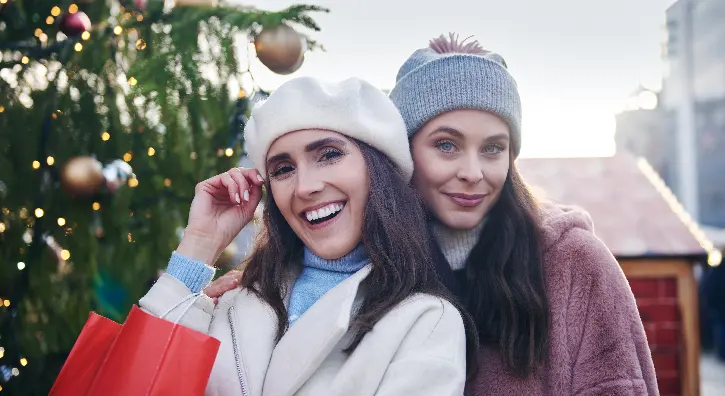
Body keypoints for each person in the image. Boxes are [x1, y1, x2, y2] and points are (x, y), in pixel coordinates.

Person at [140, 76, 471, 396]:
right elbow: (136, 381)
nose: (305, 186)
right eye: (283, 169)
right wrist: (200, 243)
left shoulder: (427, 322)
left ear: (379, 170)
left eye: (329, 155)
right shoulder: (231, 300)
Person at [385, 33, 660, 395]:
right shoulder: (374, 267)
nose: (473, 172)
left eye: (493, 148)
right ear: (404, 152)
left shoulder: (575, 263)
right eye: (447, 145)